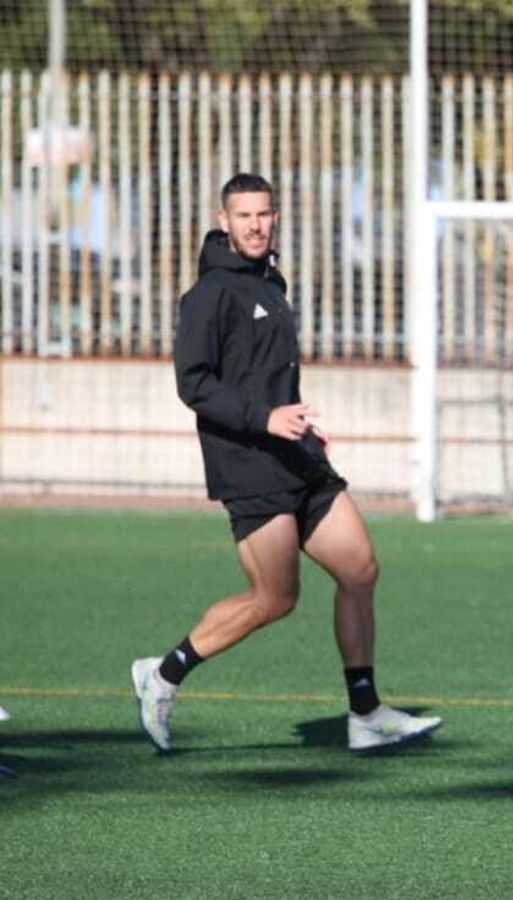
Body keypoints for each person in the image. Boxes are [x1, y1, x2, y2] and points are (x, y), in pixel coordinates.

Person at [131, 173, 442, 753]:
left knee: (360, 569)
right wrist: (265, 418)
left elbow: (270, 374)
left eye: (265, 214)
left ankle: (366, 713)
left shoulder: (272, 283)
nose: (255, 225)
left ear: (277, 217)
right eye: (244, 215)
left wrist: (300, 425)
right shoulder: (208, 296)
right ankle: (163, 674)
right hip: (247, 464)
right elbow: (193, 384)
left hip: (296, 456)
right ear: (224, 220)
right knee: (275, 598)